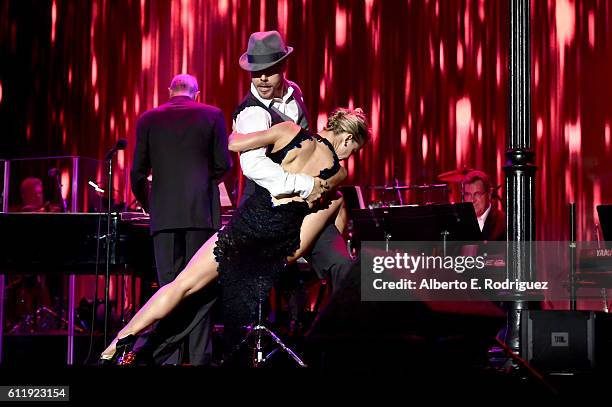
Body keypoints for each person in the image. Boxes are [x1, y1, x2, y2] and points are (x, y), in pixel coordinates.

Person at [100, 107, 370, 364]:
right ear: (347, 139)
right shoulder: (337, 175)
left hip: (243, 229)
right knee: (213, 304)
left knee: (181, 286)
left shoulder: (289, 130)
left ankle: (116, 346)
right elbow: (300, 246)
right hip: (268, 249)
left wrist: (238, 132)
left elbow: (234, 144)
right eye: (354, 150)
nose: (349, 156)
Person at [234, 31, 354, 329]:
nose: (261, 79)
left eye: (269, 71)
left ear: (283, 67)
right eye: (256, 72)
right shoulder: (251, 112)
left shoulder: (295, 94)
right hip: (268, 211)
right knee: (260, 284)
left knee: (344, 267)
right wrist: (304, 185)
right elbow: (253, 166)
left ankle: (339, 343)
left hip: (305, 209)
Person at [129, 74, 232, 366]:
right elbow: (223, 164)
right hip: (201, 214)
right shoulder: (212, 115)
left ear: (169, 90)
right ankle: (200, 358)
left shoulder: (148, 119)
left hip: (163, 216)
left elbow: (137, 172)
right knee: (200, 288)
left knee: (168, 288)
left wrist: (151, 205)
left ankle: (168, 359)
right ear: (196, 93)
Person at [462, 170, 506, 241]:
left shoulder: (504, 222)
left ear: (489, 194)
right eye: (468, 194)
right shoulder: (460, 222)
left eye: (477, 194)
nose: (472, 200)